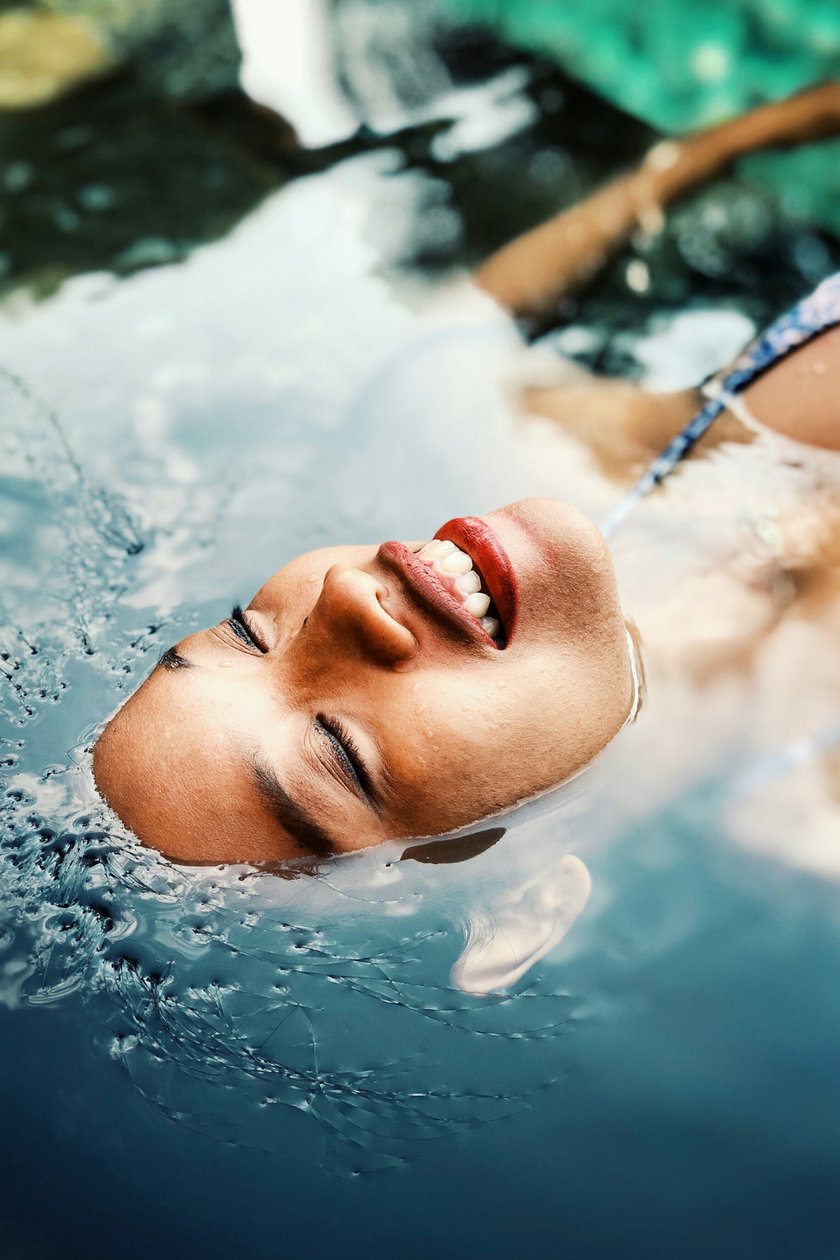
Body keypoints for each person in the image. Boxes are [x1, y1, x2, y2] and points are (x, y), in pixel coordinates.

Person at [92, 82, 840, 865]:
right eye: (339, 754)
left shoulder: (553, 446)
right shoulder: (807, 809)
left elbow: (467, 321)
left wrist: (733, 141)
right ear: (529, 905)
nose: (345, 593)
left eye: (246, 632)